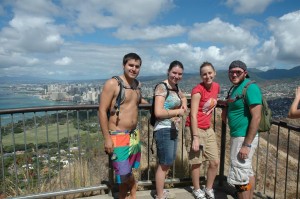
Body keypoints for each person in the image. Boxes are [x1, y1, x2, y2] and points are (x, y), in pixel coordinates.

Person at [98, 52, 147, 199]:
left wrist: (158, 104)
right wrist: (107, 138)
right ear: (124, 65)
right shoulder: (113, 83)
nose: (133, 69)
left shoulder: (137, 85)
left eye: (137, 66)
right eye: (130, 65)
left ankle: (125, 197)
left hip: (133, 135)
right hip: (118, 135)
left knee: (127, 171)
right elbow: (101, 110)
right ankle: (133, 193)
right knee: (124, 173)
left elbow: (135, 102)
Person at [221, 60, 262, 199]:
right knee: (247, 172)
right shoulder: (235, 88)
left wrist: (246, 144)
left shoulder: (250, 87)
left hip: (243, 139)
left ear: (245, 73)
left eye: (238, 72)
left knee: (240, 178)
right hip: (239, 137)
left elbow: (256, 117)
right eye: (231, 72)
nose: (234, 74)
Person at [185, 62, 220, 199]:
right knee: (196, 161)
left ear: (214, 73)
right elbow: (192, 115)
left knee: (214, 161)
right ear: (201, 76)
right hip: (195, 128)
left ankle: (209, 187)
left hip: (208, 128)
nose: (207, 76)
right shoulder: (197, 91)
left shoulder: (216, 87)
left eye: (210, 73)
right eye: (204, 74)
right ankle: (197, 189)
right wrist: (195, 137)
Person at [153, 60, 187, 199]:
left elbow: (184, 97)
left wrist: (183, 106)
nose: (176, 76)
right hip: (163, 129)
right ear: (168, 71)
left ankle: (160, 191)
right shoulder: (162, 87)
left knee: (168, 161)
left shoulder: (176, 87)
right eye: (174, 72)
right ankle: (160, 195)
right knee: (164, 163)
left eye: (180, 74)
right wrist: (178, 111)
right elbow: (158, 113)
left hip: (172, 128)